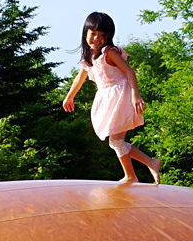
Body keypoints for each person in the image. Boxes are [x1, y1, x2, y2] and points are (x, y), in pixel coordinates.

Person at [61, 12, 163, 184]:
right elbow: (80, 78)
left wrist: (135, 95)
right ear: (85, 33)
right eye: (93, 34)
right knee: (115, 141)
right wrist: (69, 97)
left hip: (120, 94)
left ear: (108, 37)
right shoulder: (88, 57)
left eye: (102, 36)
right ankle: (151, 162)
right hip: (106, 96)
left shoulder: (109, 52)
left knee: (115, 140)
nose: (97, 39)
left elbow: (129, 71)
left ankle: (131, 175)